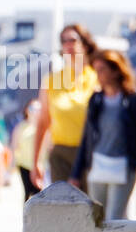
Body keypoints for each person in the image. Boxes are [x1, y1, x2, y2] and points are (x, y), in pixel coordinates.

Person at [69, 49, 136, 220]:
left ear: (116, 70)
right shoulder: (96, 100)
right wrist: (76, 173)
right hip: (98, 165)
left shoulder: (134, 100)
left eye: (102, 69)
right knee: (97, 218)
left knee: (114, 217)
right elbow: (87, 137)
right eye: (96, 70)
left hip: (124, 167)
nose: (98, 75)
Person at [30, 23, 98, 191]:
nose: (68, 45)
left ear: (85, 43)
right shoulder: (52, 81)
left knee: (93, 210)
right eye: (63, 41)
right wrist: (36, 161)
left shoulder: (97, 78)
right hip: (60, 155)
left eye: (73, 40)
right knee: (64, 209)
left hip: (92, 155)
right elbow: (43, 123)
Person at [12, 98, 42, 200]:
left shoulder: (43, 127)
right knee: (28, 193)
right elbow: (14, 147)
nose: (34, 111)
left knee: (40, 193)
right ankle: (27, 215)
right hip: (24, 165)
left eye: (38, 109)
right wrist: (11, 167)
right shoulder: (21, 127)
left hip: (41, 165)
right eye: (32, 108)